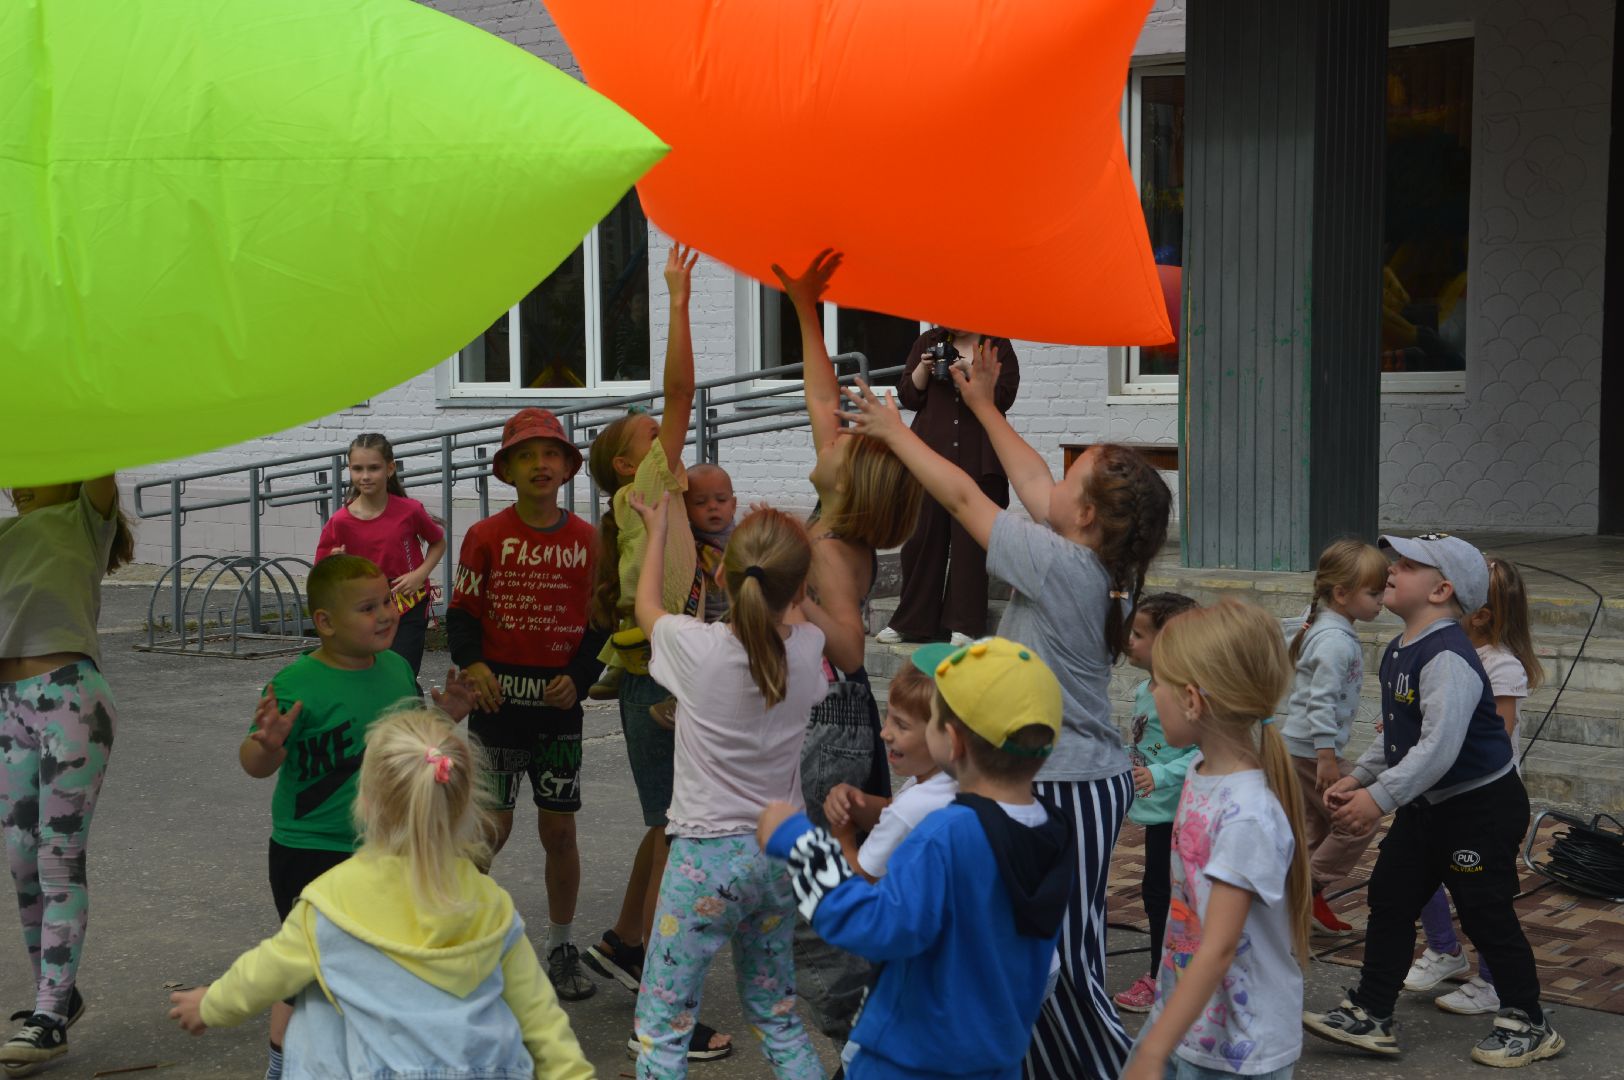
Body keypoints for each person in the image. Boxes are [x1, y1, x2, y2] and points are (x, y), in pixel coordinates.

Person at [840, 334, 1171, 1079]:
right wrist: (985, 405)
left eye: (1070, 478)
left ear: (1084, 516)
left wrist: (897, 429)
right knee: (1037, 954)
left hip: (1071, 783)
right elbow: (1026, 480)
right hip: (1068, 780)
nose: (1049, 480)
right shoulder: (1086, 558)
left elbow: (965, 497)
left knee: (1061, 963)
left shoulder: (1061, 564)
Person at [168, 709, 594, 1080]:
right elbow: (539, 1015)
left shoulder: (331, 898)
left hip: (368, 1068)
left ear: (365, 802)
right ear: (466, 807)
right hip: (478, 1067)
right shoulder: (489, 901)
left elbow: (265, 973)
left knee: (315, 1001)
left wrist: (210, 1005)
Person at [757, 636, 1076, 1080]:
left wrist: (799, 843)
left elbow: (876, 928)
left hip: (913, 1060)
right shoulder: (1051, 828)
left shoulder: (945, 835)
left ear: (951, 741)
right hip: (994, 1058)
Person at [1304, 534, 1564, 1067]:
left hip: (1479, 809)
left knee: (1485, 912)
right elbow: (1401, 733)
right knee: (1391, 896)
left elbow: (1439, 746)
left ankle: (1529, 1020)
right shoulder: (1403, 648)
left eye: (1407, 565)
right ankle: (1372, 1011)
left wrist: (1377, 798)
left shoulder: (1448, 655)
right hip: (1431, 804)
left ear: (1442, 590)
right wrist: (1364, 776)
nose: (1391, 570)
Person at [581, 245, 732, 1060]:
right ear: (625, 462)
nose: (662, 427)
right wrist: (676, 296)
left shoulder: (659, 496)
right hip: (656, 674)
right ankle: (655, 980)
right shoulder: (643, 488)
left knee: (668, 824)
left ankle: (626, 942)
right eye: (647, 434)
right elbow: (680, 389)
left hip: (668, 666)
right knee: (680, 828)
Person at [240, 553, 474, 1080]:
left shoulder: (395, 670)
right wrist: (268, 746)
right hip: (310, 849)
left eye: (387, 601)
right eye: (368, 608)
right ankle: (284, 1065)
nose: (387, 614)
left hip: (386, 845)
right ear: (325, 622)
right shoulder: (297, 682)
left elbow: (407, 744)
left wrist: (445, 717)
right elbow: (256, 764)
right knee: (313, 970)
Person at [770, 251, 924, 1045]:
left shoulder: (829, 547)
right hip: (840, 716)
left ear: (849, 480)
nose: (825, 432)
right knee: (836, 855)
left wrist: (793, 598)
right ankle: (858, 1005)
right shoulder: (834, 512)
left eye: (837, 441)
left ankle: (842, 1014)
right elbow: (823, 394)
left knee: (821, 860)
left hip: (833, 716)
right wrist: (804, 307)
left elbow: (855, 648)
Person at [624, 492, 827, 1079]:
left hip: (704, 862)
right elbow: (795, 624)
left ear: (721, 573)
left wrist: (658, 529)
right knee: (780, 1015)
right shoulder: (809, 650)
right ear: (798, 588)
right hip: (781, 857)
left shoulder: (698, 648)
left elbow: (644, 605)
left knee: (662, 1027)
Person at [447, 407, 605, 1002]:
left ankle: (561, 945)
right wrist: (476, 664)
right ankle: (462, 940)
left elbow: (599, 624)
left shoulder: (589, 541)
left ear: (567, 467)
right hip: (496, 703)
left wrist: (580, 677)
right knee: (491, 827)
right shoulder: (485, 536)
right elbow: (462, 614)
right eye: (526, 455)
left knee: (559, 830)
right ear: (507, 469)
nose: (540, 465)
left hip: (558, 706)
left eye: (551, 455)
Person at [1121, 600, 1311, 1080]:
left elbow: (1219, 946)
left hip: (1238, 1050)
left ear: (1191, 699)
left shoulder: (1246, 815)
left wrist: (1152, 1049)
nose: (1151, 692)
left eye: (1158, 682)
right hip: (1190, 1021)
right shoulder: (1200, 774)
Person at [0, 477, 132, 1074]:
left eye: (37, 466)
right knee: (22, 859)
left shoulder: (85, 518)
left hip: (69, 699)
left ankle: (49, 1017)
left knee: (57, 858)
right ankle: (59, 993)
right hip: (10, 706)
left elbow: (98, 449)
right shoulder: (5, 534)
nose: (19, 483)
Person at [1405, 557, 1544, 1016]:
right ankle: (1444, 949)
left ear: (1481, 612)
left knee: (1483, 896)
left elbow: (1495, 737)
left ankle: (1492, 982)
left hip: (1484, 801)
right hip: (1436, 790)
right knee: (1415, 872)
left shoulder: (1501, 665)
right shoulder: (1441, 649)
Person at [876, 327, 1019, 646]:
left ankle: (964, 624)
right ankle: (912, 621)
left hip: (980, 456)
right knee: (921, 537)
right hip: (931, 454)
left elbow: (1005, 396)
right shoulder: (927, 342)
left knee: (971, 541)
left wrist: (972, 374)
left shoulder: (996, 344)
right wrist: (923, 370)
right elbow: (908, 397)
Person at [1276, 539, 1388, 935]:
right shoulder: (1335, 641)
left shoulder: (1326, 628)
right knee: (1358, 819)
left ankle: (1294, 902)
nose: (1382, 601)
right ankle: (1303, 891)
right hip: (1312, 752)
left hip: (1304, 749)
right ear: (1341, 593)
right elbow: (1319, 703)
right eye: (1374, 593)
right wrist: (1326, 756)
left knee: (1315, 826)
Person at [1112, 592, 1201, 1014]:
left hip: (1180, 814)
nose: (1129, 640)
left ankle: (1165, 979)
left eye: (1139, 633)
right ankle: (1166, 972)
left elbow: (1204, 752)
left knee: (1169, 897)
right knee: (1156, 894)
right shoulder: (1149, 687)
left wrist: (1160, 775)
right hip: (1158, 812)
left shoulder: (1187, 692)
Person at [315, 433, 447, 677]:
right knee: (370, 677)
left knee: (402, 676)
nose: (365, 476)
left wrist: (420, 574)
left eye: (373, 468)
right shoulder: (340, 522)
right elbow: (322, 574)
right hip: (363, 608)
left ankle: (411, 714)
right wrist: (335, 564)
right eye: (357, 469)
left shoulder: (410, 510)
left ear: (389, 469)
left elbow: (438, 542)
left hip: (408, 602)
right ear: (350, 470)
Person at [821, 655, 957, 882]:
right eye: (888, 717)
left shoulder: (915, 805)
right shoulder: (944, 780)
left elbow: (857, 880)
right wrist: (857, 803)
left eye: (901, 725)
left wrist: (841, 834)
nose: (884, 733)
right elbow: (890, 811)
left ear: (947, 737)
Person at [685, 463, 738, 625]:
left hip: (741, 615)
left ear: (734, 505)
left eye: (721, 500)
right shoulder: (686, 540)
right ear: (685, 510)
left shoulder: (744, 535)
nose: (713, 506)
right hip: (704, 620)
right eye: (700, 502)